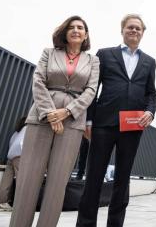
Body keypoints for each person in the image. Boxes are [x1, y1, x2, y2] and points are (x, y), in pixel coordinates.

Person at [9, 16, 100, 227]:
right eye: (72, 27)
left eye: (80, 28)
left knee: (58, 183)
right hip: (41, 117)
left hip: (73, 122)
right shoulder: (49, 53)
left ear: (86, 34)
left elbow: (91, 90)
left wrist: (67, 111)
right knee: (28, 180)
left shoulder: (93, 60)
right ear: (64, 32)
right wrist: (50, 112)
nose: (76, 30)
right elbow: (38, 80)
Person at [77, 14, 156, 227]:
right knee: (94, 176)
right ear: (122, 30)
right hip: (103, 124)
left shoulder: (149, 62)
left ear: (142, 33)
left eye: (138, 28)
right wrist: (89, 121)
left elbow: (151, 94)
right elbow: (92, 89)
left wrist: (150, 111)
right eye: (130, 27)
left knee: (122, 181)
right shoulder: (104, 54)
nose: (134, 31)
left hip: (132, 127)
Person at [0, 116, 28, 212]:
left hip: (11, 156)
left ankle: (3, 203)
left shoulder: (17, 132)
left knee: (7, 181)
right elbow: (23, 143)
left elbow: (12, 142)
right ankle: (20, 205)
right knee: (22, 181)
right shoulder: (29, 129)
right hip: (20, 155)